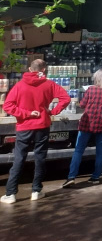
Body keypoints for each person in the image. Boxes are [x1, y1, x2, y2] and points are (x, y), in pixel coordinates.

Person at [1, 59, 70, 204]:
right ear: (43, 70)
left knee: (19, 158)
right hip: (42, 125)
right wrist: (52, 112)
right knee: (40, 158)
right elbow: (66, 98)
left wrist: (26, 114)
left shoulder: (20, 85)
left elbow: (7, 106)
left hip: (24, 126)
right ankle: (36, 191)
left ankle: (11, 194)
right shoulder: (49, 84)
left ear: (29, 69)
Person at [63, 68, 102, 187]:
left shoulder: (91, 90)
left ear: (97, 78)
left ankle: (71, 177)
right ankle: (95, 177)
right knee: (100, 150)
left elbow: (82, 105)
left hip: (87, 124)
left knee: (79, 150)